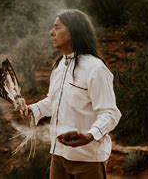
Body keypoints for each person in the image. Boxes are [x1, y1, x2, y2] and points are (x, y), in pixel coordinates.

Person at [26, 9, 121, 179]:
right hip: (59, 156)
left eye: (57, 27)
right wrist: (31, 110)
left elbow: (110, 113)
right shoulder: (59, 65)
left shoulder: (95, 68)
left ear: (72, 32)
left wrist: (90, 135)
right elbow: (53, 101)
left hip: (87, 159)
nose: (51, 32)